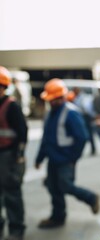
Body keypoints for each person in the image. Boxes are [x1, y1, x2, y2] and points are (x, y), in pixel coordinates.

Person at [34, 78, 100, 229]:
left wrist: (72, 158)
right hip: (53, 159)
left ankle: (91, 198)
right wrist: (39, 158)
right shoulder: (50, 114)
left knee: (65, 186)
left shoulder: (71, 113)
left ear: (61, 97)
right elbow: (46, 138)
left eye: (53, 99)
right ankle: (58, 217)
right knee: (53, 188)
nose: (50, 102)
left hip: (65, 160)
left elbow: (82, 138)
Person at [0, 66, 28, 240]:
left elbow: (22, 132)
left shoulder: (11, 107)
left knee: (11, 194)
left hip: (8, 157)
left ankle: (16, 229)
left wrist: (19, 155)